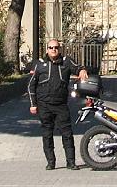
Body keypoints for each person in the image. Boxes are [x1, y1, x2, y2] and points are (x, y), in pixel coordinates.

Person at [28, 39, 88, 170]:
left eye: (56, 47)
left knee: (67, 133)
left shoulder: (66, 61)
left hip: (61, 105)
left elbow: (77, 67)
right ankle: (51, 162)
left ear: (59, 49)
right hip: (44, 105)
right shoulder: (39, 64)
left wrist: (82, 70)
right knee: (47, 134)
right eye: (51, 47)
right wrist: (33, 104)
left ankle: (71, 162)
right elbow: (31, 85)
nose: (53, 50)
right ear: (47, 49)